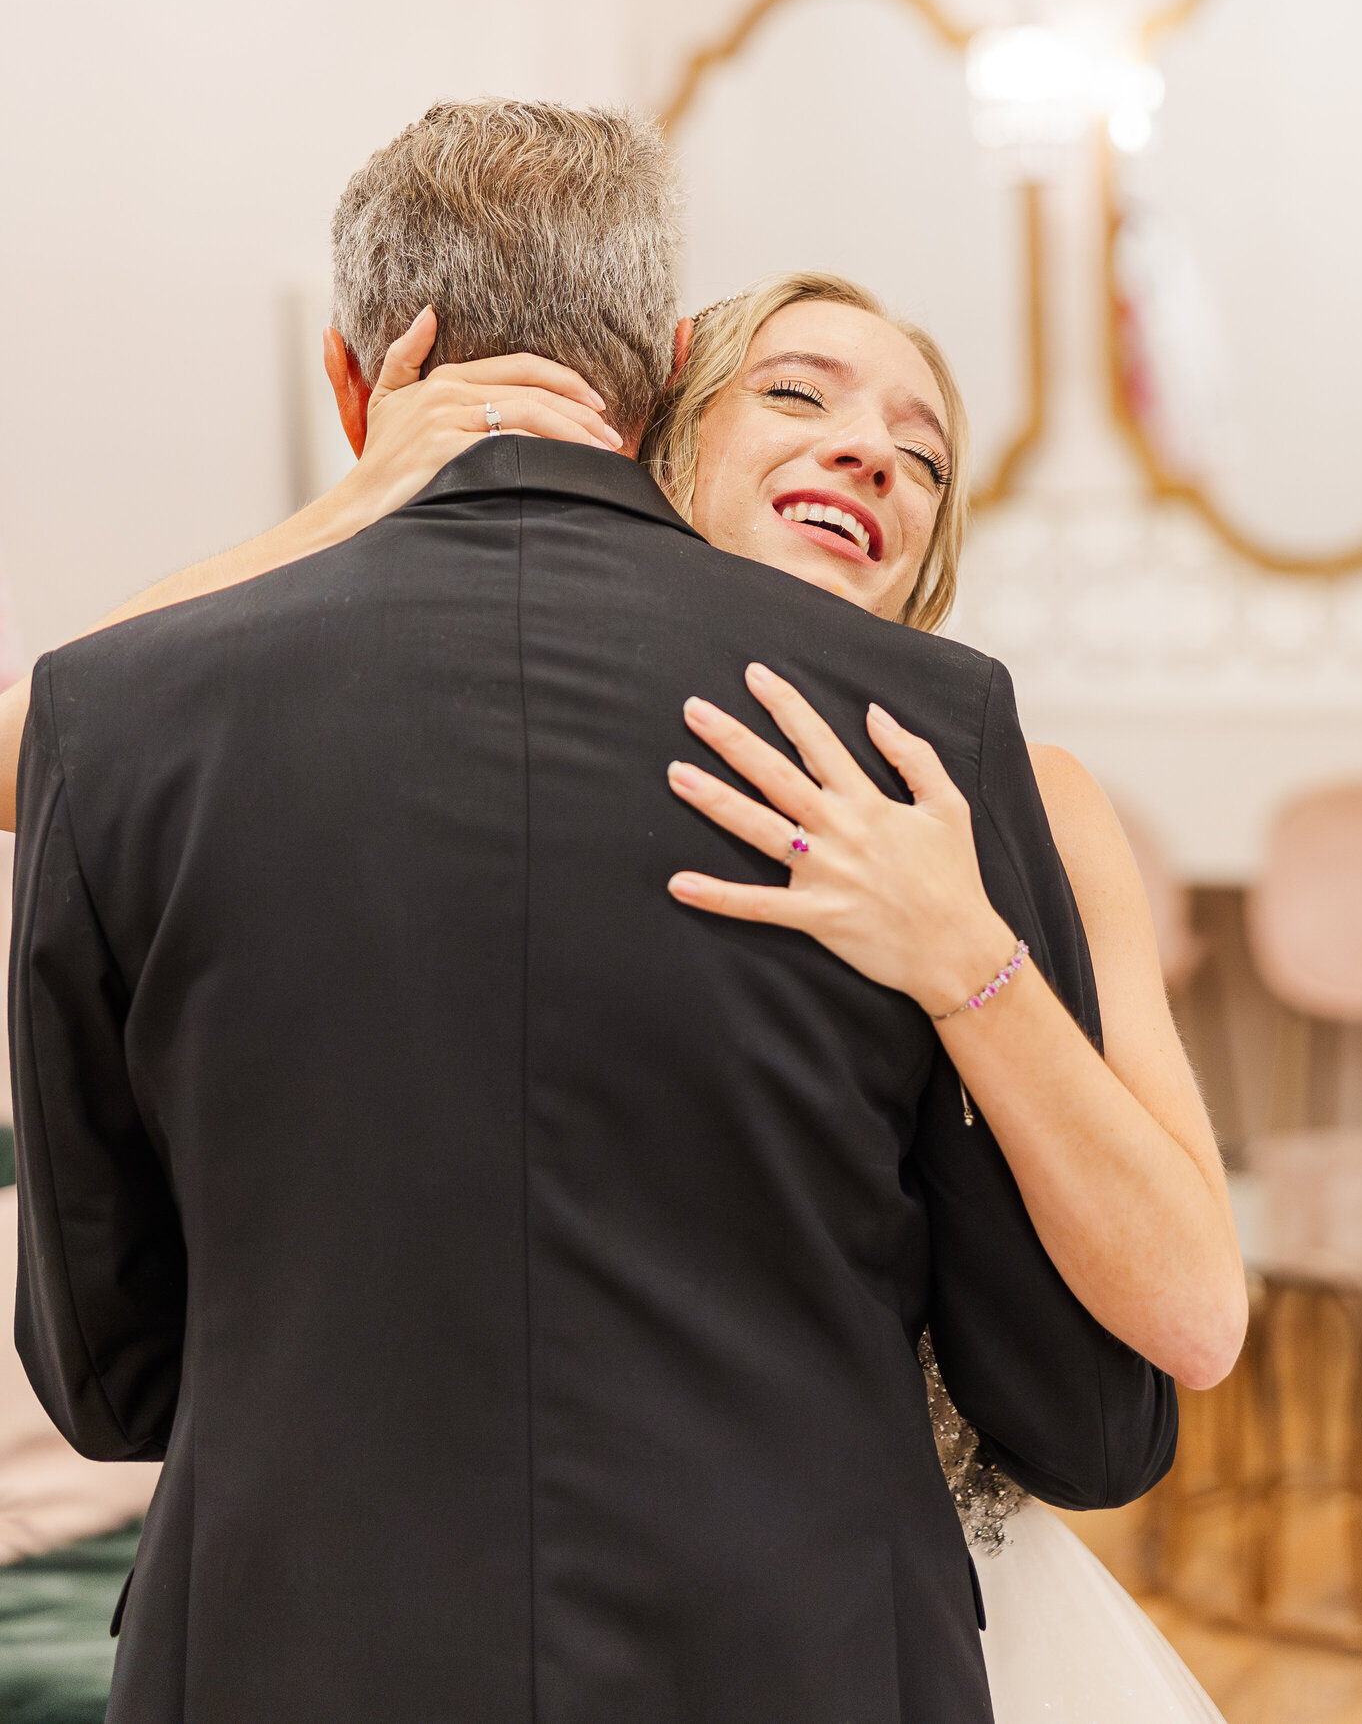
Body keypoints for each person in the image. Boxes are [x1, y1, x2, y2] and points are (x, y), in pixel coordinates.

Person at [5, 101, 1207, 1724]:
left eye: (923, 450)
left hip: (292, 1636)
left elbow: (113, 1364)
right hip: (804, 1640)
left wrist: (970, 960)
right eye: (795, 392)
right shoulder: (937, 732)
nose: (867, 453)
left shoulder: (139, 719)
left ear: (365, 382)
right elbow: (1085, 1405)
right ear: (657, 397)